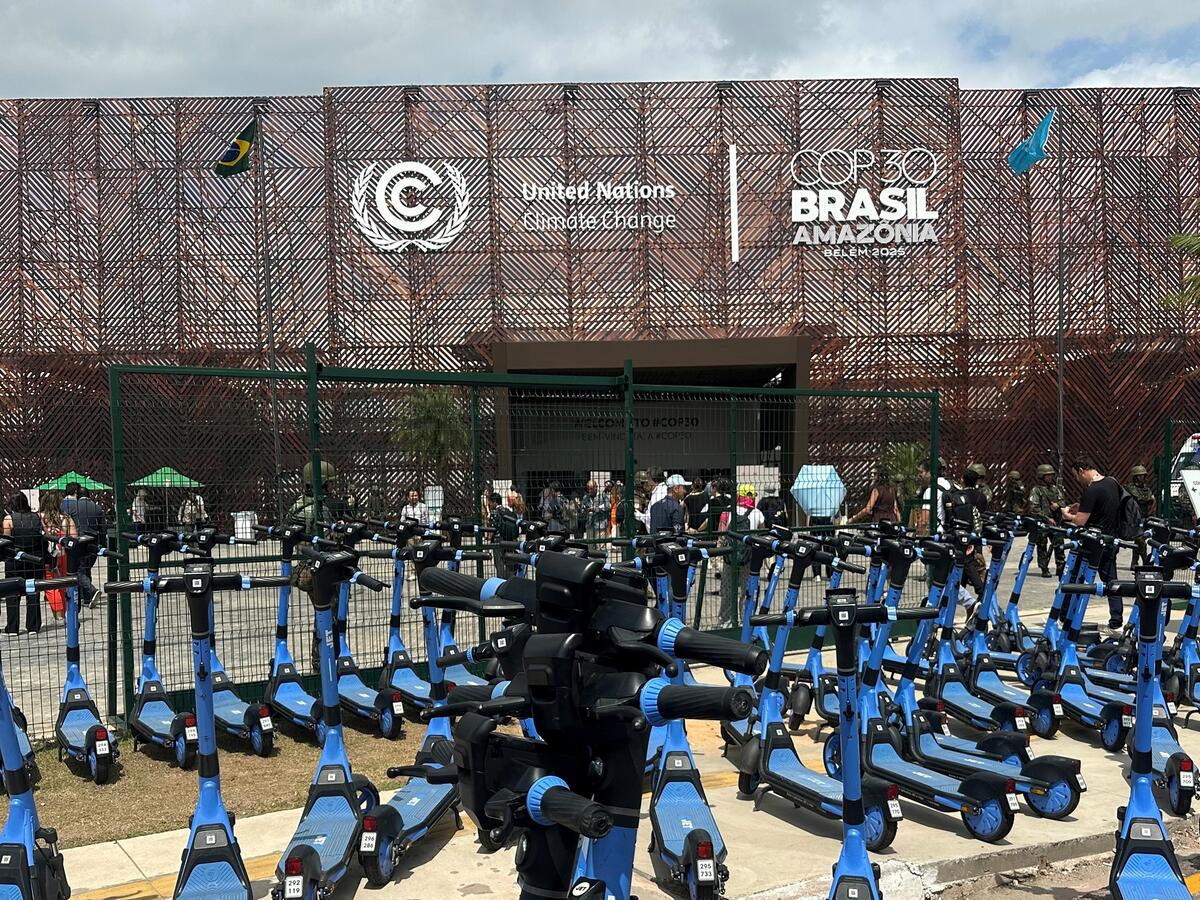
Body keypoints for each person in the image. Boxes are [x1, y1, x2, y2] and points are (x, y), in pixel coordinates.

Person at [1063, 454, 1122, 634]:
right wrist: (1081, 506)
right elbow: (1103, 507)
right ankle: (1116, 620)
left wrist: (1068, 515)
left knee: (1075, 578)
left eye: (1076, 475)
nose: (1077, 479)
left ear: (1082, 471)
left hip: (1093, 543)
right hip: (1110, 539)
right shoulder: (1112, 483)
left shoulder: (1092, 490)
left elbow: (1080, 521)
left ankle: (1065, 615)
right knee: (1111, 580)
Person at [716, 485, 764, 626]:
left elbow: (722, 535)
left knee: (728, 591)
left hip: (730, 557)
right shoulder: (757, 513)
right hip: (749, 558)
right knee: (747, 590)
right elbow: (762, 533)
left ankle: (725, 621)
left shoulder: (728, 512)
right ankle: (746, 620)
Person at [61, 482, 106, 610]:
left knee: (79, 571)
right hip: (93, 542)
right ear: (89, 495)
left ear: (77, 495)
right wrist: (103, 545)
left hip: (77, 542)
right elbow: (102, 529)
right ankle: (86, 598)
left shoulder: (72, 508)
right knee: (86, 569)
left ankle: (91, 590)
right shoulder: (97, 508)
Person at [2, 493, 42, 634]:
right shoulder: (36, 517)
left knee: (12, 592)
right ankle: (33, 626)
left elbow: (7, 541)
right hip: (34, 558)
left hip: (15, 559)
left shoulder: (9, 519)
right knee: (33, 590)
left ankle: (12, 627)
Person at [38, 492, 73, 626]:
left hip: (47, 554)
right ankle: (62, 613)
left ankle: (58, 616)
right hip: (63, 553)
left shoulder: (39, 518)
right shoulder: (65, 518)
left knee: (50, 585)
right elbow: (74, 536)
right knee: (62, 583)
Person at [1027, 463, 1066, 578]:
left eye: (1051, 475)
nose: (1050, 477)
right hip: (1043, 523)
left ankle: (1060, 567)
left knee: (1059, 545)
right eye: (1047, 475)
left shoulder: (1055, 489)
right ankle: (1044, 568)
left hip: (1056, 523)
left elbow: (1063, 501)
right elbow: (1034, 508)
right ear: (1041, 476)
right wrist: (1046, 518)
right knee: (1042, 546)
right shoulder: (1036, 490)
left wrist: (1057, 505)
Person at [287, 461, 334, 531]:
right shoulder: (320, 509)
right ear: (323, 483)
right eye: (330, 482)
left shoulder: (299, 504)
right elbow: (326, 536)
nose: (333, 485)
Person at [1127, 464, 1156, 568]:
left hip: (1144, 517)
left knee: (1138, 540)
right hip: (1133, 518)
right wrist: (1149, 499)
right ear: (1135, 476)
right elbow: (1140, 498)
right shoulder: (1130, 487)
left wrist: (1149, 499)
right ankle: (1145, 562)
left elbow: (1149, 498)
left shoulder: (1146, 488)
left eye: (1143, 475)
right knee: (1140, 540)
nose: (1142, 477)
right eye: (1139, 475)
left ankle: (1134, 562)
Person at [915, 458, 952, 532]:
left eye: (921, 472)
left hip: (939, 536)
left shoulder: (931, 491)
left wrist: (917, 536)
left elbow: (923, 521)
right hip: (953, 534)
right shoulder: (952, 485)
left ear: (930, 472)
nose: (919, 475)